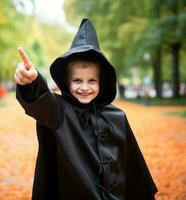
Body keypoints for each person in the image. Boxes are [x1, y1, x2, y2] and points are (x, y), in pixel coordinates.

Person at [14, 18, 158, 200]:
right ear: (67, 81)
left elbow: (133, 169)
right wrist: (32, 82)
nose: (84, 87)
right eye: (77, 80)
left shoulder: (117, 117)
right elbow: (40, 100)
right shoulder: (60, 112)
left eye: (92, 81)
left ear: (102, 82)